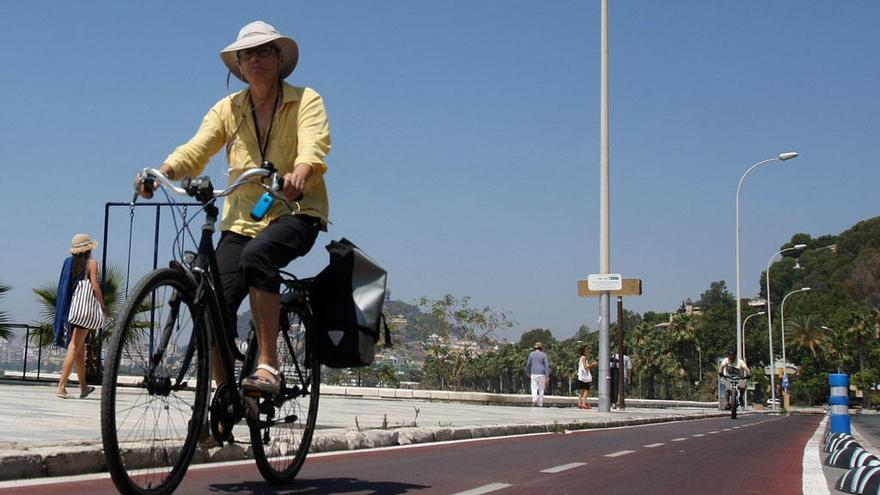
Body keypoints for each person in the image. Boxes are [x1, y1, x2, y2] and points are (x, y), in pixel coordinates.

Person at [135, 21, 331, 396]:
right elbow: (198, 147)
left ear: (278, 58)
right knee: (212, 303)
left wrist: (300, 174)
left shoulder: (306, 100)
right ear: (239, 66)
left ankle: (268, 366)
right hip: (242, 219)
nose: (254, 58)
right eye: (247, 54)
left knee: (259, 257)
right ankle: (224, 400)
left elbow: (314, 145)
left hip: (296, 212)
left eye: (262, 51)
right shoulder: (228, 109)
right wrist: (163, 172)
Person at [54, 233, 108, 399]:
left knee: (79, 349)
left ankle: (84, 388)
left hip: (70, 310)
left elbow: (64, 287)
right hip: (83, 311)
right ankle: (61, 387)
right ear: (88, 249)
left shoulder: (67, 262)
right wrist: (103, 307)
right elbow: (95, 287)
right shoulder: (91, 263)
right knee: (74, 346)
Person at [525, 342, 550, 407]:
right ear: (541, 348)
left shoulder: (531, 354)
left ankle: (534, 399)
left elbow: (528, 364)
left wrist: (527, 372)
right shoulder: (544, 355)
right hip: (542, 374)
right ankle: (540, 403)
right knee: (541, 388)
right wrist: (547, 376)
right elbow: (546, 366)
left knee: (534, 387)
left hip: (533, 373)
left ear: (535, 348)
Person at [576, 345, 596, 410]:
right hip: (584, 377)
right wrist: (592, 365)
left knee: (581, 391)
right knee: (586, 390)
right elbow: (585, 367)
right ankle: (584, 404)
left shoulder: (582, 358)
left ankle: (580, 403)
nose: (588, 351)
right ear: (584, 352)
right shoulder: (584, 358)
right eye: (586, 350)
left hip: (581, 376)